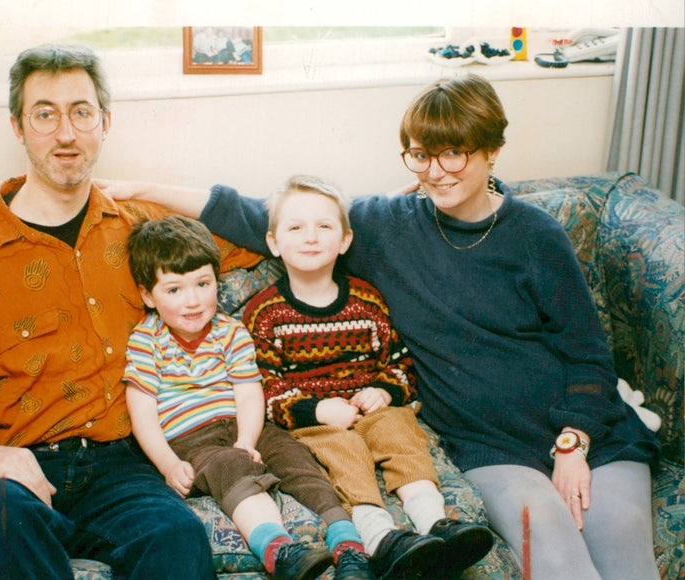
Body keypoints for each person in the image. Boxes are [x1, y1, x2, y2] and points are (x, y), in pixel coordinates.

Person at [96, 74, 661, 580]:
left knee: (627, 560)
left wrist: (573, 443)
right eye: (420, 155)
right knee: (558, 560)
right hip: (492, 445)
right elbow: (250, 213)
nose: (435, 172)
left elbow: (588, 353)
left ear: (491, 149)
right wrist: (140, 190)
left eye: (454, 154)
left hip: (588, 433)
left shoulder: (537, 234)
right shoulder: (384, 225)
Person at [0, 43, 261, 580]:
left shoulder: (144, 230)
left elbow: (269, 233)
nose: (65, 133)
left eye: (81, 112)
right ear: (18, 127)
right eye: (45, 114)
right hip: (7, 473)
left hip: (121, 465)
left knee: (176, 537)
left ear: (104, 122)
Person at [242, 175, 493, 580]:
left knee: (400, 429)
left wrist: (384, 389)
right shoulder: (264, 313)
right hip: (315, 420)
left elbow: (398, 362)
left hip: (369, 404)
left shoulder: (367, 299)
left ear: (344, 240)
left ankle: (434, 523)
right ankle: (379, 536)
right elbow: (264, 386)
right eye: (295, 227)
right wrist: (318, 408)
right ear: (274, 242)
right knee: (344, 451)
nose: (310, 237)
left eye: (324, 226)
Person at [123, 215, 375, 580]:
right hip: (193, 441)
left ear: (217, 282)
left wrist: (247, 440)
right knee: (231, 465)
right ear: (148, 295)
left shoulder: (230, 331)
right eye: (174, 290)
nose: (192, 301)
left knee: (297, 458)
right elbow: (142, 412)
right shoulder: (147, 340)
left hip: (246, 429)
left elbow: (248, 393)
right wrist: (167, 464)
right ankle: (280, 550)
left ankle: (347, 544)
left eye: (203, 284)